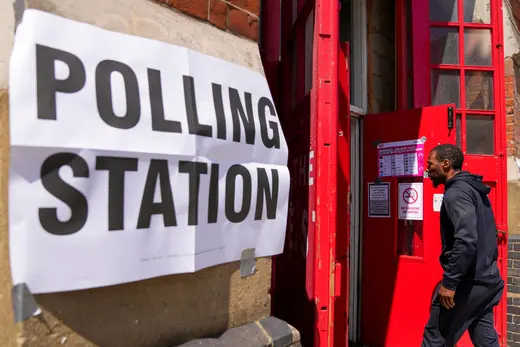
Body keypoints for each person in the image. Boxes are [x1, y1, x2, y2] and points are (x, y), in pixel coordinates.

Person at [422, 144, 504, 347]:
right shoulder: (474, 190)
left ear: (446, 164)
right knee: (485, 339)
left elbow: (466, 240)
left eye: (431, 164)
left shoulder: (456, 193)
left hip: (468, 283)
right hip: (487, 281)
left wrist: (450, 283)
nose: (428, 170)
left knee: (435, 338)